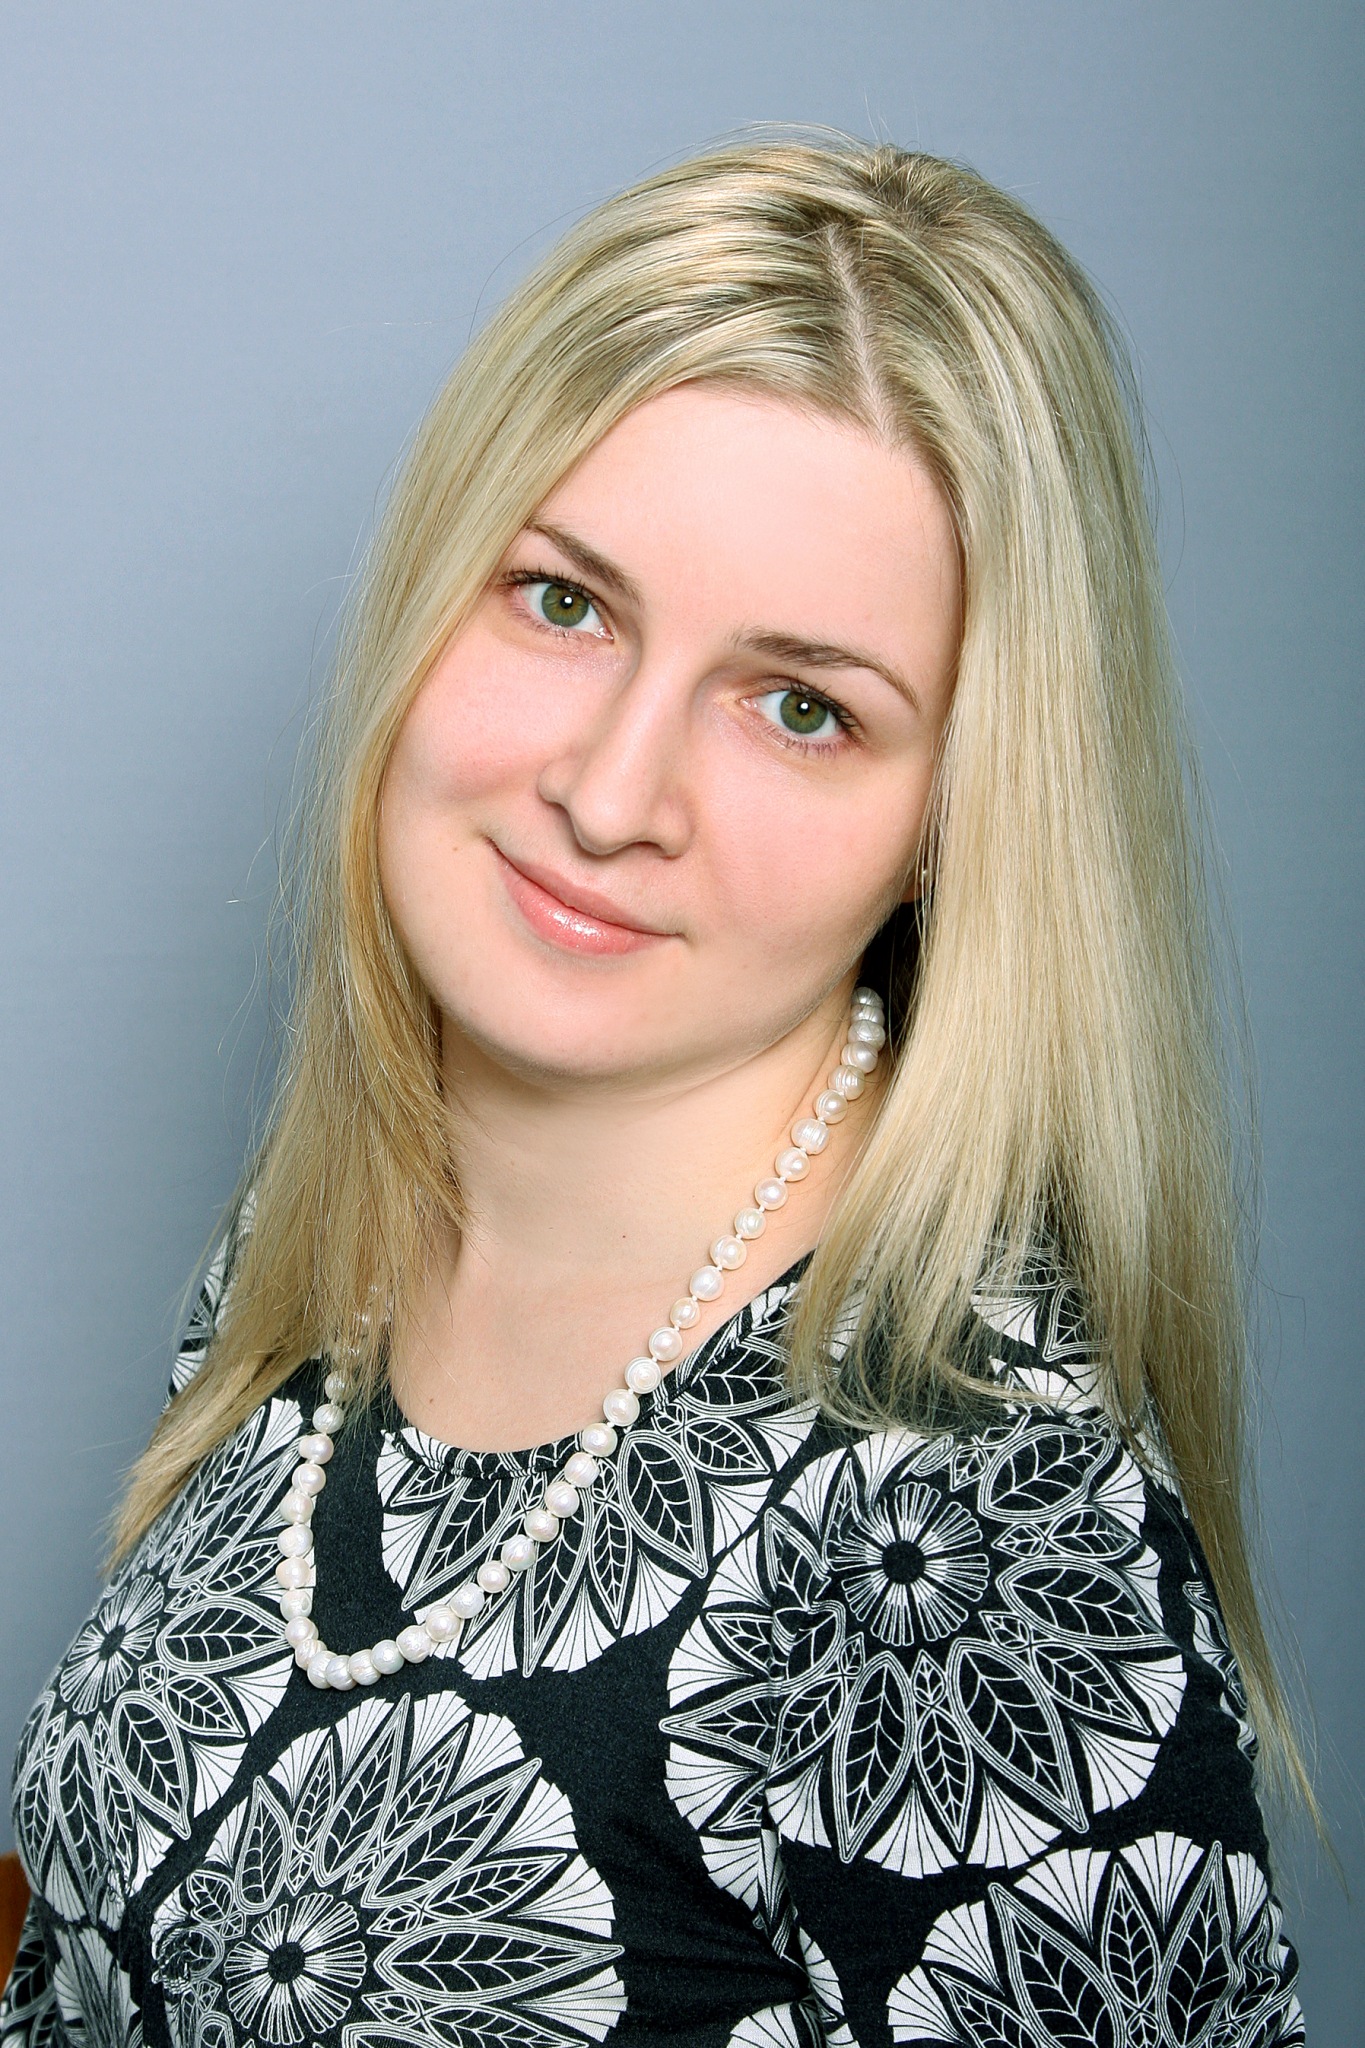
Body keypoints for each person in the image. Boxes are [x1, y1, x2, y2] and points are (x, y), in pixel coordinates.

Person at [1, 136, 1308, 2048]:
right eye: (562, 603)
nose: (610, 795)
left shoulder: (973, 1541)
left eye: (803, 708)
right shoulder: (329, 1238)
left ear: (956, 819)